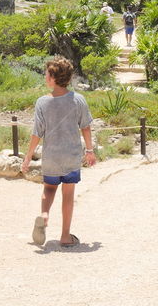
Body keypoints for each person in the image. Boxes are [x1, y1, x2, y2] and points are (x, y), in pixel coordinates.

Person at [21, 56, 96, 247]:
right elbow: (85, 127)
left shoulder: (42, 103)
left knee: (48, 189)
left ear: (53, 78)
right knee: (68, 195)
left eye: (46, 73)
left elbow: (37, 133)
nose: (45, 76)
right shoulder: (78, 99)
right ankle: (65, 236)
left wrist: (28, 156)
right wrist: (89, 150)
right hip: (71, 155)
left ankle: (44, 216)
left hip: (51, 156)